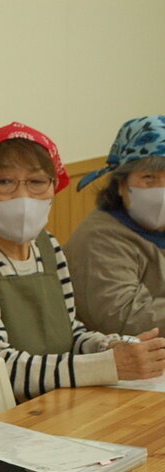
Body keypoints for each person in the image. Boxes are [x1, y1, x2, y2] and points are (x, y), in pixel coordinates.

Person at [0, 122, 165, 402]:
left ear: (53, 189)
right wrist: (106, 366)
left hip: (37, 404)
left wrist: (110, 347)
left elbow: (68, 334)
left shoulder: (47, 246)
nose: (23, 197)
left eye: (37, 182)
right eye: (4, 182)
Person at [64, 116, 165, 336]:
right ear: (121, 184)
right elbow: (123, 317)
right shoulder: (98, 238)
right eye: (149, 178)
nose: (161, 190)